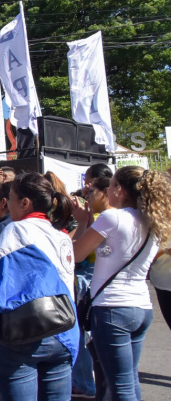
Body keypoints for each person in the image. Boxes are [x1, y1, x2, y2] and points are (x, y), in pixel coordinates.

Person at [71, 166, 171, 401]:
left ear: (120, 190)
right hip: (141, 307)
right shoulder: (153, 220)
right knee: (129, 380)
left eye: (112, 185)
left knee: (121, 385)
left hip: (112, 308)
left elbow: (77, 254)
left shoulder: (112, 218)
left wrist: (83, 222)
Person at [0, 172, 76, 401]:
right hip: (65, 331)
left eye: (10, 197)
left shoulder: (16, 230)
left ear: (24, 202)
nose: (6, 203)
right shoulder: (61, 234)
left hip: (21, 333)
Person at [71, 170, 112, 399]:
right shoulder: (129, 218)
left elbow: (76, 253)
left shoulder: (106, 220)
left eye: (91, 191)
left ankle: (84, 383)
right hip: (125, 297)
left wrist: (83, 222)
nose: (87, 195)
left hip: (96, 286)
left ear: (106, 193)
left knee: (86, 339)